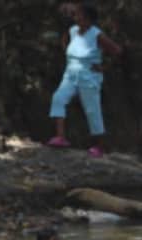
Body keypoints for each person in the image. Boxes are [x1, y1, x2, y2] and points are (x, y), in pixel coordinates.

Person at [45, 3, 122, 158]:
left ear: (88, 19)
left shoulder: (96, 34)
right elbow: (65, 43)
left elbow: (117, 50)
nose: (75, 17)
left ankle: (99, 146)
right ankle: (61, 137)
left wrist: (103, 67)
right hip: (71, 73)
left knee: (92, 110)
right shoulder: (73, 31)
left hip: (89, 76)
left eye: (79, 15)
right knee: (58, 98)